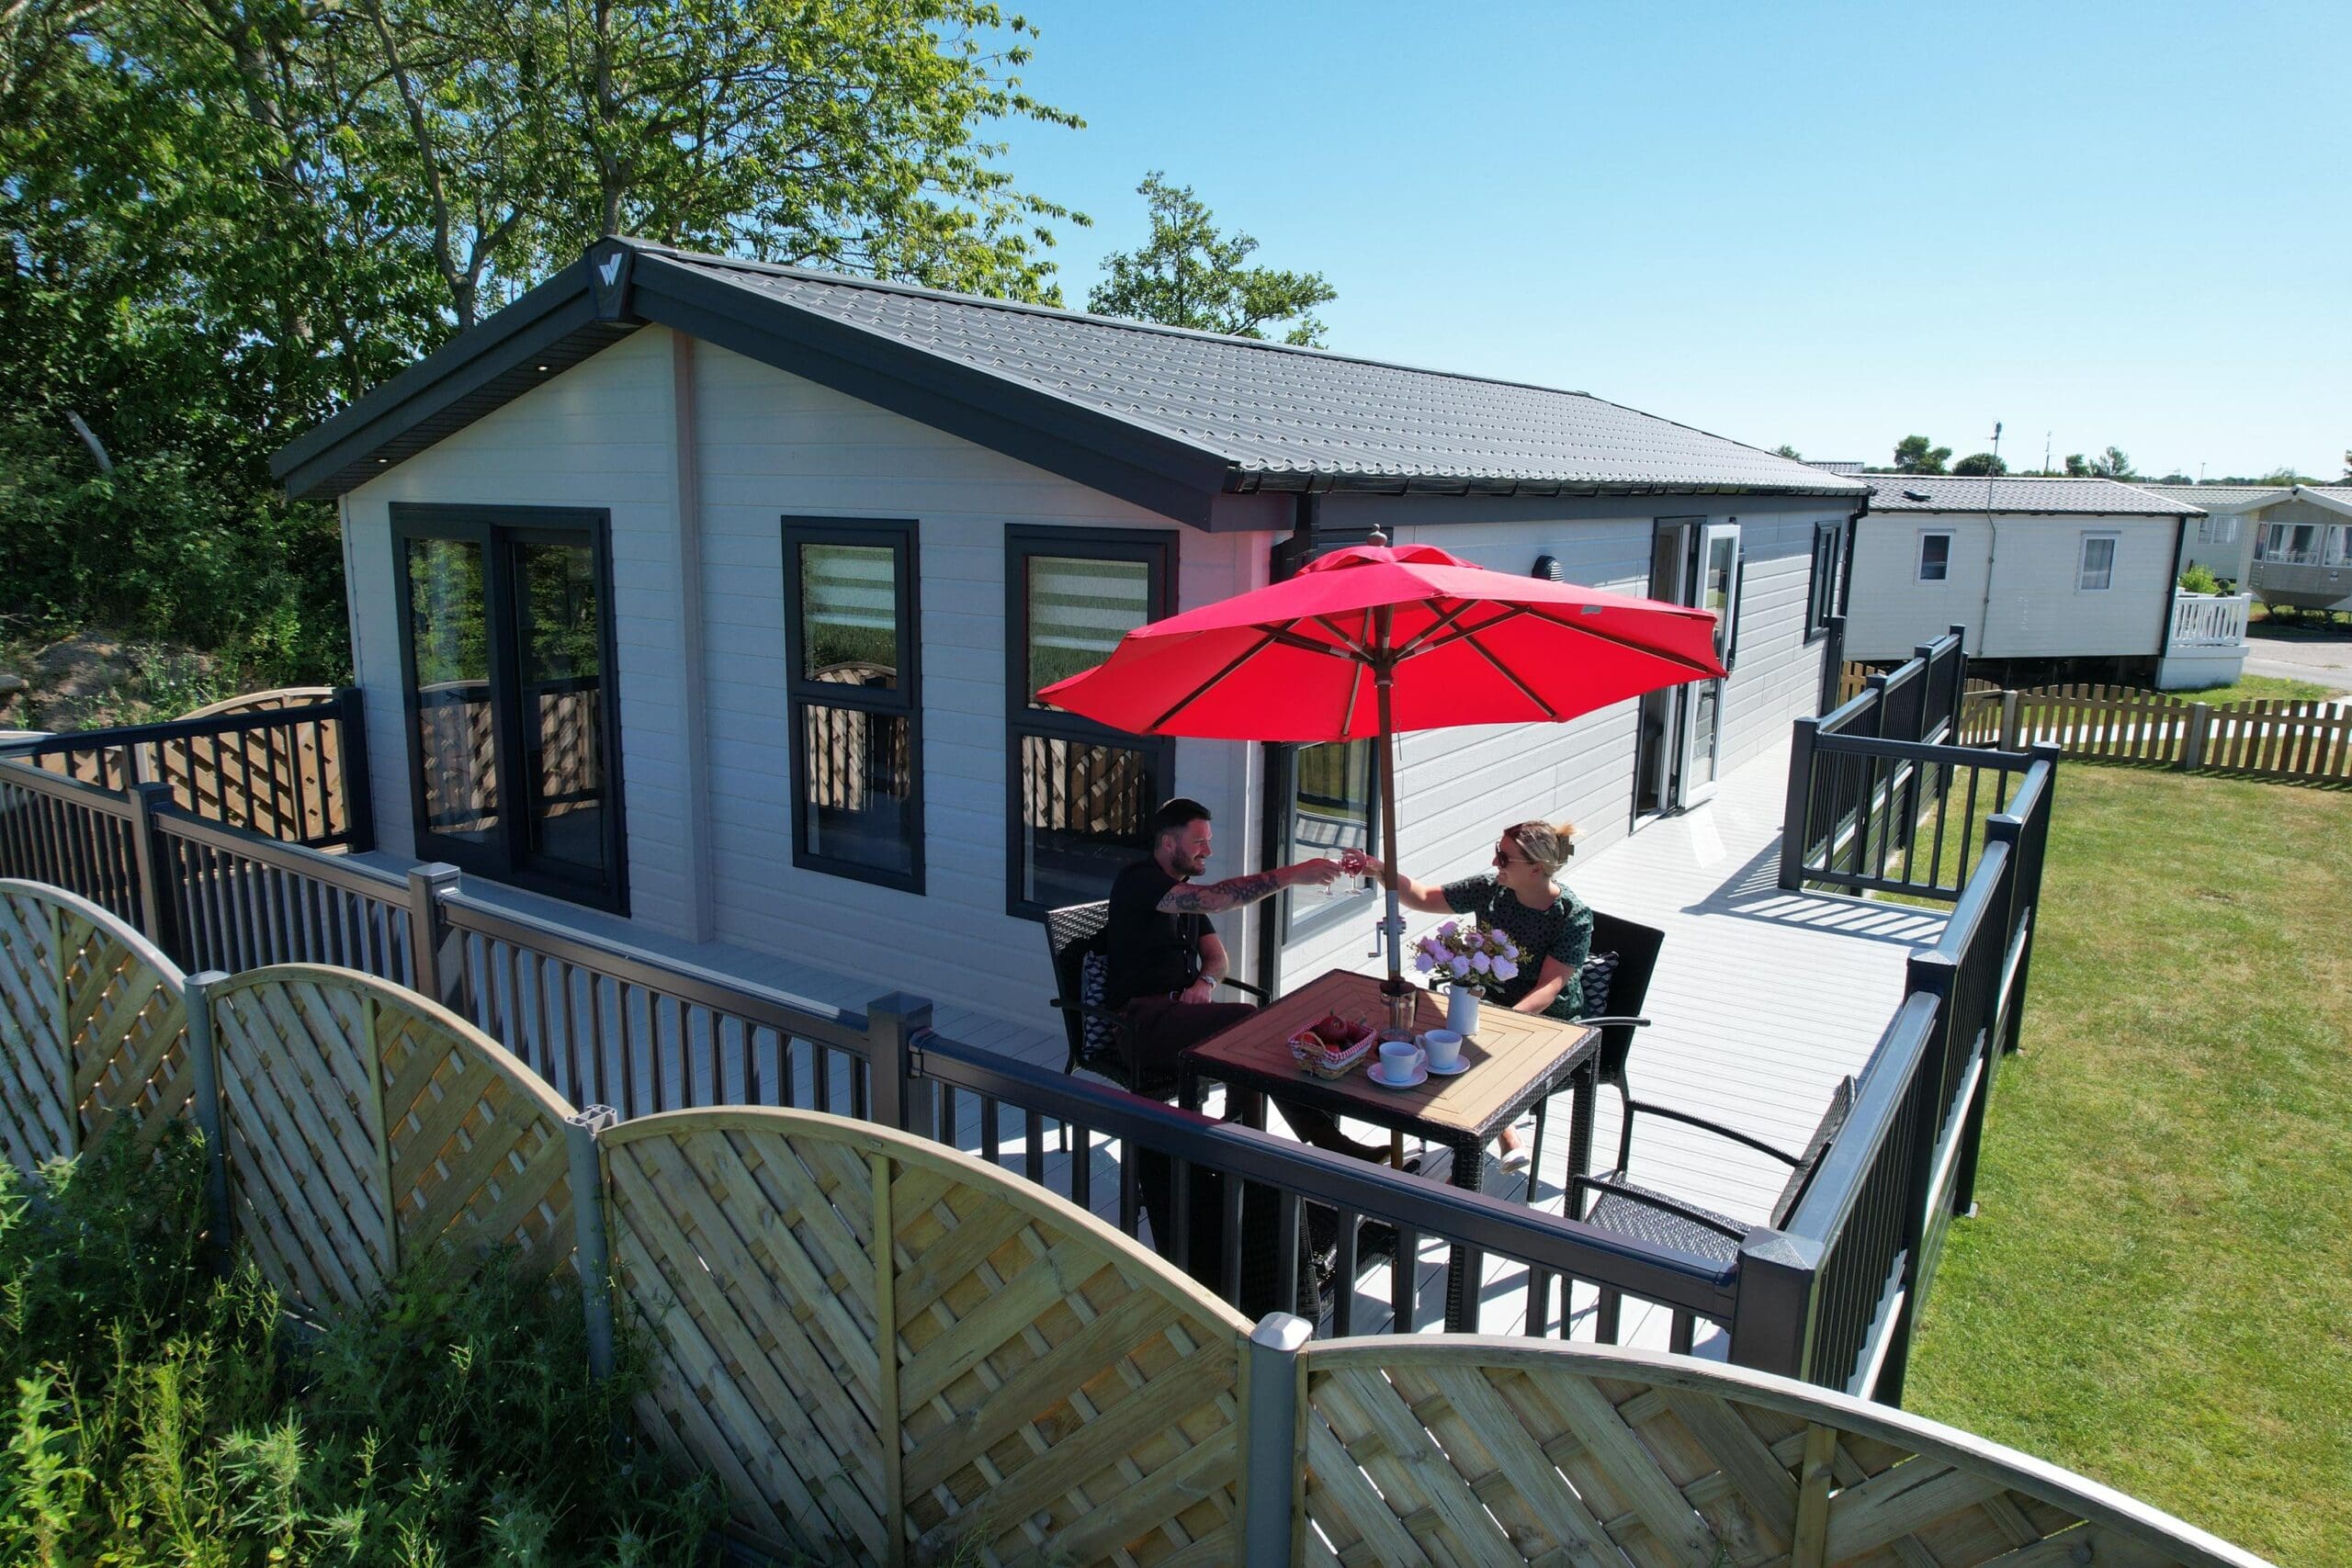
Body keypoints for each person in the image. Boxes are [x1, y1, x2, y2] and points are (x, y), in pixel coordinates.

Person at [1104, 796, 1383, 1161]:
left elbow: (1218, 959)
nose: (1208, 850)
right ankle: (1269, 1147)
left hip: (1177, 1018)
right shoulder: (1140, 881)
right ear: (1168, 843)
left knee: (1253, 1035)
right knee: (1246, 1025)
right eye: (1199, 842)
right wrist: (1294, 874)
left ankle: (1248, 1141)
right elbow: (1217, 900)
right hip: (1138, 1026)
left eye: (1209, 840)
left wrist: (1204, 984)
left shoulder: (1180, 890)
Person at [1357, 819, 1593, 1170]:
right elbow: (1420, 897)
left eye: (1504, 857)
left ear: (1537, 869)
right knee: (1442, 1054)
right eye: (1497, 851)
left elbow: (1548, 989)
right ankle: (1498, 1140)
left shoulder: (1572, 917)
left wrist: (1500, 1023)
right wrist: (1378, 870)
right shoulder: (1490, 890)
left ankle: (1467, 1170)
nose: (1495, 861)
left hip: (1548, 1024)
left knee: (1464, 1065)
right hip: (1485, 1007)